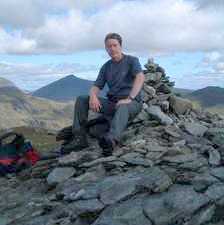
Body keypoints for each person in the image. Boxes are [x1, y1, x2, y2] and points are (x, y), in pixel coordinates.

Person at [67, 32, 145, 156]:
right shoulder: (106, 67)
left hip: (131, 103)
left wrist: (129, 98)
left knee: (122, 106)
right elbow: (96, 86)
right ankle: (80, 138)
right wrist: (93, 96)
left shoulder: (131, 61)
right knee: (82, 99)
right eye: (109, 46)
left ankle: (111, 140)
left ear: (120, 46)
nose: (112, 49)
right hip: (112, 103)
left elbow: (140, 77)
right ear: (106, 48)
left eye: (115, 45)